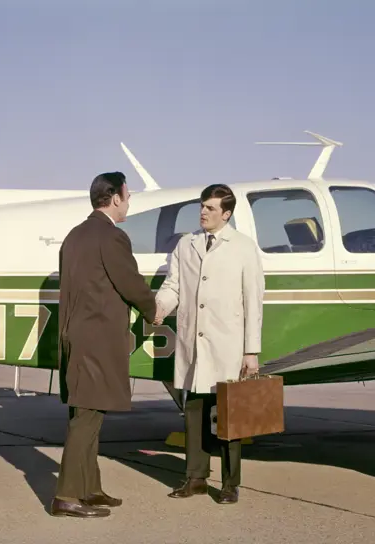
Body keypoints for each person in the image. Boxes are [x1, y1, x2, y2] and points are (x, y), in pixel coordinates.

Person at [51, 171, 157, 518]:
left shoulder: (75, 236)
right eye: (128, 196)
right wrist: (152, 309)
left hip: (76, 336)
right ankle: (66, 496)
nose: (128, 203)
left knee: (89, 414)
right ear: (115, 198)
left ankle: (89, 488)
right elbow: (130, 281)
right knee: (86, 418)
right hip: (96, 339)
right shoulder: (111, 237)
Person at [154, 183, 264, 504]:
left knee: (229, 418)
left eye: (211, 208)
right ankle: (196, 479)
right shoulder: (186, 245)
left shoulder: (244, 247)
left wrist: (251, 351)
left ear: (226, 214)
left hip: (228, 347)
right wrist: (160, 307)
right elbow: (173, 285)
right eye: (202, 206)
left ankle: (230, 485)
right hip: (193, 345)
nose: (203, 212)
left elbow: (253, 301)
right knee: (194, 414)